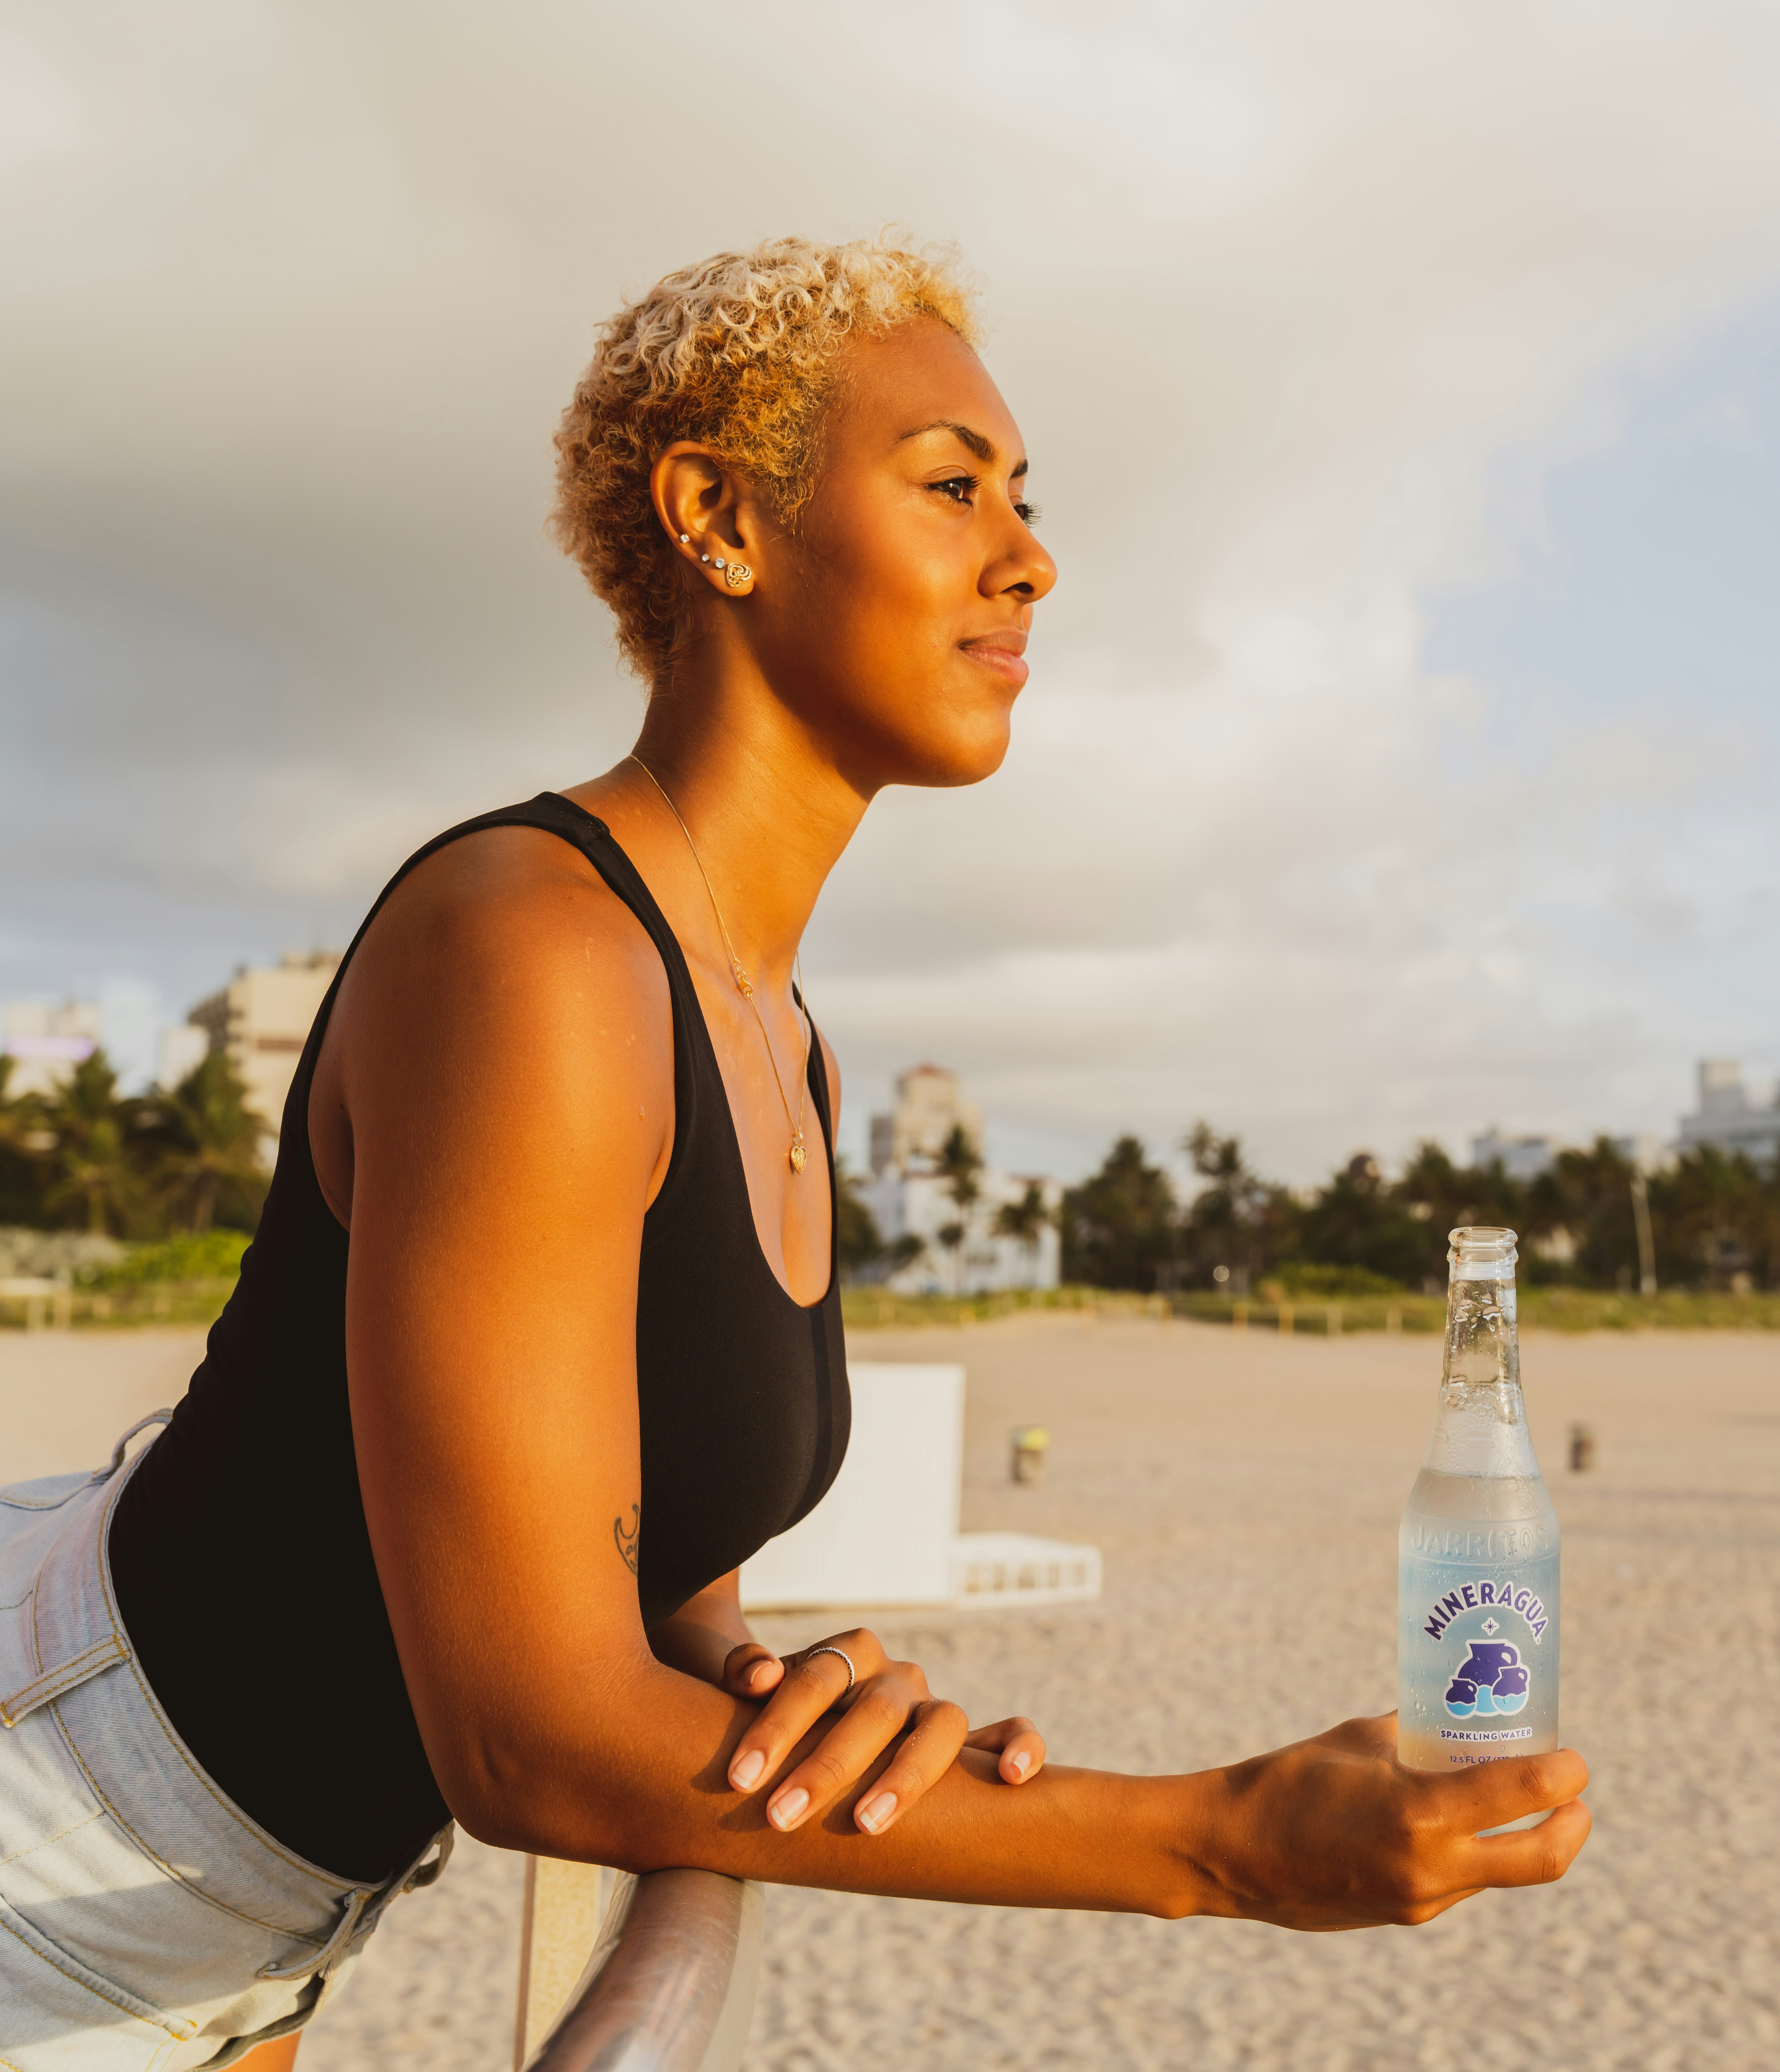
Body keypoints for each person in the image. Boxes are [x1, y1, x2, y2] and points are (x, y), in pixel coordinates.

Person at [0, 236, 1589, 2070]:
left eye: (1028, 499)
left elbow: (637, 1591)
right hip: (65, 1842)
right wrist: (1218, 1843)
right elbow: (526, 1739)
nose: (1031, 557)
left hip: (249, 1915)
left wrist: (792, 1699)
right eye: (952, 487)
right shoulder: (536, 952)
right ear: (721, 522)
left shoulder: (784, 1041)